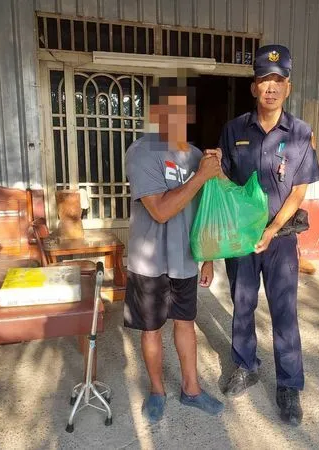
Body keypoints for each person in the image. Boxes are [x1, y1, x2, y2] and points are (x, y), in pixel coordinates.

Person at [213, 44, 319, 425]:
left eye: (278, 80)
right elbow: (223, 178)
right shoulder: (233, 130)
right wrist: (214, 169)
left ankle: (289, 386)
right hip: (242, 240)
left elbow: (298, 191)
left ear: (287, 87)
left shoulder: (301, 133)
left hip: (280, 240)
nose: (270, 87)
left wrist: (273, 229)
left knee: (283, 313)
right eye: (264, 79)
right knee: (242, 305)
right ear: (254, 87)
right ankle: (245, 366)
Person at [124, 77, 224, 424]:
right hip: (148, 263)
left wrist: (209, 257)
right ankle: (156, 391)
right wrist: (199, 176)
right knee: (152, 330)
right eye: (168, 109)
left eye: (182, 110)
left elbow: (207, 209)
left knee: (186, 324)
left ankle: (191, 389)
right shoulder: (141, 152)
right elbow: (161, 210)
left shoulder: (196, 155)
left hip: (185, 260)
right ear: (156, 112)